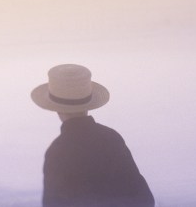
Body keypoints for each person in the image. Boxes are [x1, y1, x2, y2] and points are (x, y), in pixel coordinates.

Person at [31, 64, 154, 207]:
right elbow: (144, 198)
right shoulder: (111, 138)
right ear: (88, 104)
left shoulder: (57, 151)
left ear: (56, 109)